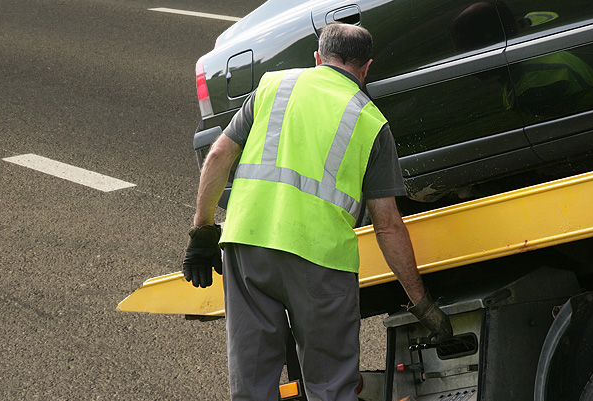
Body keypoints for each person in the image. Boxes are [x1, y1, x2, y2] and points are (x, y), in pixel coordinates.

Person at [182, 23, 452, 401]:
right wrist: (420, 302)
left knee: (252, 386)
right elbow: (388, 226)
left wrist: (203, 231)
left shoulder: (273, 86)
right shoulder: (371, 122)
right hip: (320, 263)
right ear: (366, 68)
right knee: (330, 388)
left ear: (317, 58)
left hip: (248, 247)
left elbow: (217, 156)